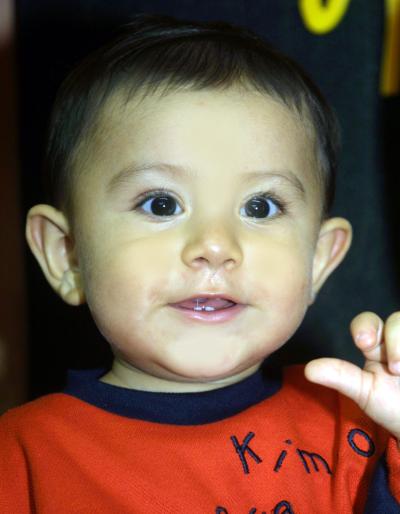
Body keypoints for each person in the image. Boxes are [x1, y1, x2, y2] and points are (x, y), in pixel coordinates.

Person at [1, 13, 399, 513]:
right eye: (161, 204)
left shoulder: (359, 429)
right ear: (67, 255)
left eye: (260, 207)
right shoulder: (21, 459)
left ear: (318, 261)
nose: (214, 245)